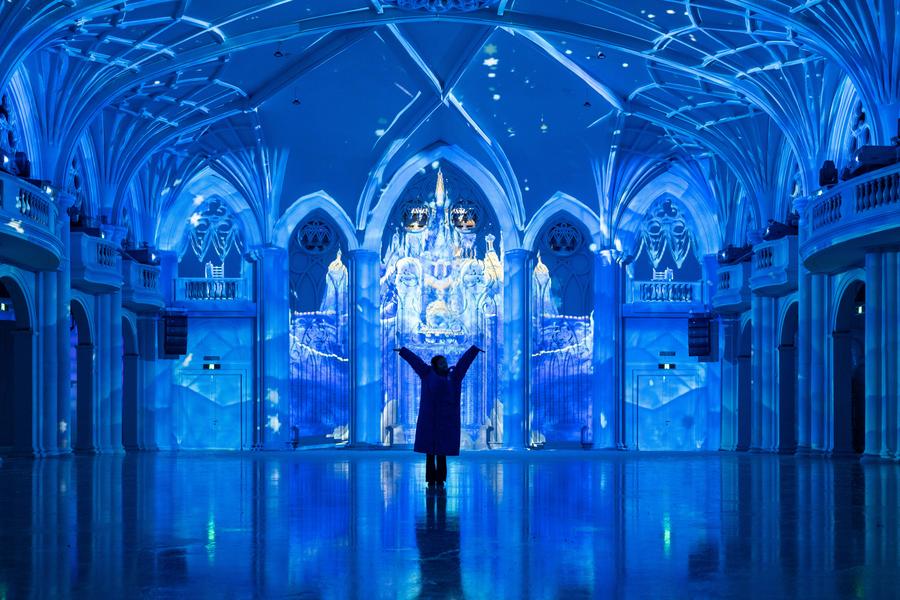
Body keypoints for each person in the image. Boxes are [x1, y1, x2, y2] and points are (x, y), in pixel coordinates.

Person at [395, 344, 483, 492]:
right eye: (441, 363)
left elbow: (463, 363)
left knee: (442, 452)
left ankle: (441, 479)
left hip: (446, 421)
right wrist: (404, 351)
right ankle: (431, 479)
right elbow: (416, 361)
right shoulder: (427, 373)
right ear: (435, 364)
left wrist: (473, 350)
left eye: (445, 362)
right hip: (429, 419)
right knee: (430, 453)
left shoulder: (454, 377)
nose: (445, 365)